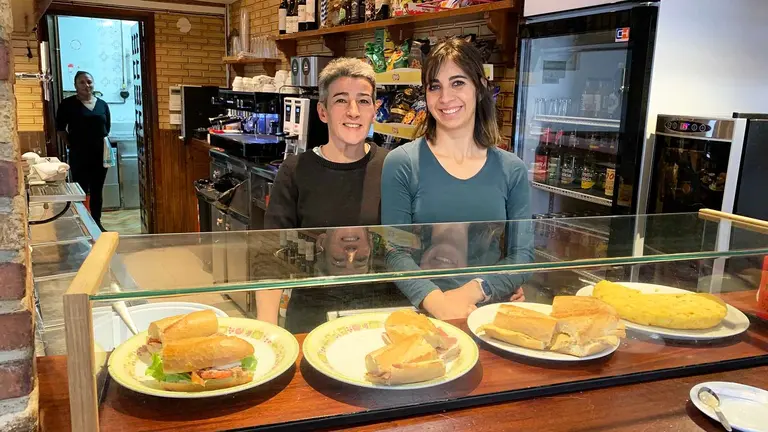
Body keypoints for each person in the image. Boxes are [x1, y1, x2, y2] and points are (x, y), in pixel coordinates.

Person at [381, 38, 533, 321]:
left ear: (480, 87)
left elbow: (523, 256)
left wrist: (473, 291)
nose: (445, 98)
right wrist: (437, 302)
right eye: (434, 86)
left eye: (458, 83)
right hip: (424, 315)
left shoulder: (512, 169)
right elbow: (395, 250)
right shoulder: (402, 163)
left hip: (488, 315)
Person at [262, 58, 408, 333]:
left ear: (375, 110)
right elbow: (271, 256)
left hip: (383, 311)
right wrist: (268, 332)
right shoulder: (295, 169)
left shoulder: (394, 166)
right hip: (312, 311)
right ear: (323, 111)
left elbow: (414, 244)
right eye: (341, 100)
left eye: (363, 101)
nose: (353, 111)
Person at [56, 71, 111, 231]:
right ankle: (81, 223)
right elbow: (60, 129)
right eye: (82, 82)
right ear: (75, 85)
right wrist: (72, 144)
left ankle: (96, 223)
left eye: (89, 82)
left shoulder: (102, 104)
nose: (86, 85)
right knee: (80, 189)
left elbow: (106, 128)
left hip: (100, 155)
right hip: (79, 155)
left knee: (97, 190)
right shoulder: (67, 105)